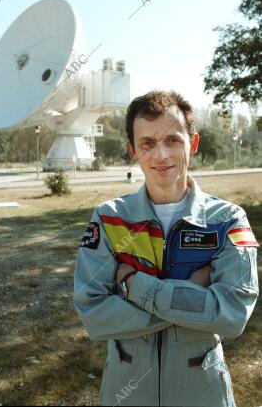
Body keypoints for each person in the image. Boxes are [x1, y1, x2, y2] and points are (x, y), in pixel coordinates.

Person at [73, 90, 259, 407]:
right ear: (132, 150)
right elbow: (94, 313)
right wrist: (188, 292)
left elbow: (231, 315)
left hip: (203, 395)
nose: (160, 155)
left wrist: (134, 285)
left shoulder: (228, 220)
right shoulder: (108, 219)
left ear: (193, 143)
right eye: (147, 143)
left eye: (172, 140)